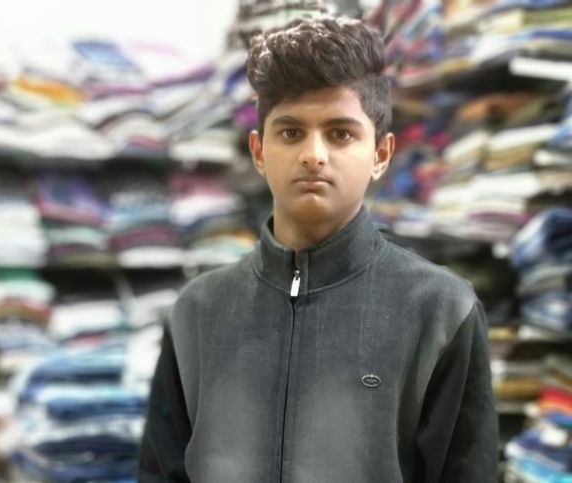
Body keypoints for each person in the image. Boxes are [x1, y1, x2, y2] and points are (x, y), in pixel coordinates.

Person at [139, 16, 498, 483]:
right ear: (258, 151)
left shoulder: (441, 311)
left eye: (340, 133)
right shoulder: (198, 311)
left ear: (381, 154)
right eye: (291, 133)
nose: (314, 154)